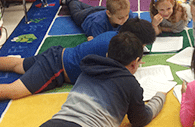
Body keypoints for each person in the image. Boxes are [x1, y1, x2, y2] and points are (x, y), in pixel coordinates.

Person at [0, 32, 167, 127]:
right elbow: (140, 119)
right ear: (135, 64)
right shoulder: (131, 84)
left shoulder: (86, 70)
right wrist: (160, 96)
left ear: (108, 55)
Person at [0, 18, 156, 100]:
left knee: (17, 64)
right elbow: (116, 77)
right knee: (12, 91)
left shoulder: (113, 37)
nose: (141, 49)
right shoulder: (113, 49)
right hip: (56, 69)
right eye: (141, 45)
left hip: (57, 53)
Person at [60, 0, 136, 41]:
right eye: (120, 18)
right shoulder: (99, 23)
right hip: (85, 17)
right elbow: (100, 45)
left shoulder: (128, 14)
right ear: (109, 14)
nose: (125, 19)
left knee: (79, 5)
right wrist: (93, 41)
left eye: (126, 15)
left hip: (100, 10)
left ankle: (67, 1)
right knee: (75, 12)